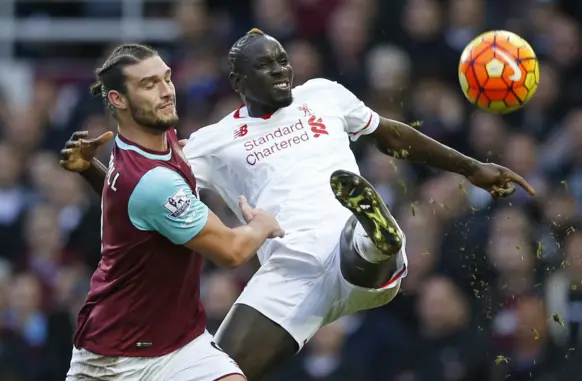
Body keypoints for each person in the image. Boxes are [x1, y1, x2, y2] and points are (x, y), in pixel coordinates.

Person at [61, 30, 536, 380]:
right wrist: (93, 171)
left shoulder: (323, 96)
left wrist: (472, 168)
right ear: (238, 80)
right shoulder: (211, 142)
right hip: (286, 272)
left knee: (356, 239)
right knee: (220, 367)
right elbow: (142, 198)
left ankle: (377, 234)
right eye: (266, 66)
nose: (282, 71)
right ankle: (375, 235)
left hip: (346, 249)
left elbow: (391, 134)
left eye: (283, 60)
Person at [61, 43, 285, 381]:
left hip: (182, 345)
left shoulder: (154, 137)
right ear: (119, 100)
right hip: (114, 360)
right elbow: (231, 251)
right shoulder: (152, 181)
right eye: (149, 84)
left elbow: (129, 202)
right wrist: (262, 225)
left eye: (167, 79)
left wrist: (88, 169)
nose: (167, 92)